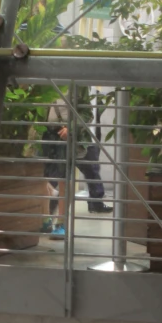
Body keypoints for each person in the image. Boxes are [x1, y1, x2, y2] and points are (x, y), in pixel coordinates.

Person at [41, 95, 105, 233]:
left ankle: (61, 222)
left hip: (66, 137)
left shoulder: (77, 84)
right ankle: (45, 219)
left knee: (64, 177)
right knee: (41, 177)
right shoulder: (43, 81)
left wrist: (71, 128)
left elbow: (87, 113)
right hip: (44, 135)